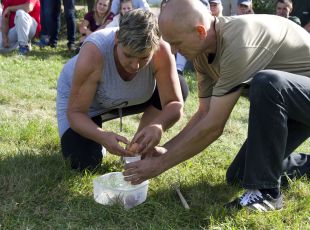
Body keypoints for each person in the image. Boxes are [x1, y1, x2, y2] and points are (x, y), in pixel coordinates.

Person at [124, 0, 310, 212]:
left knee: (268, 84)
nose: (173, 51)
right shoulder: (202, 53)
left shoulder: (239, 41)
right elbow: (204, 114)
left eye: (176, 43)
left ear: (200, 31)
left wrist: (159, 165)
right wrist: (165, 150)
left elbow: (213, 126)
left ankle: (266, 194)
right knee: (240, 175)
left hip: (298, 94)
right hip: (290, 102)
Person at [56, 9, 188, 171]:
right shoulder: (93, 52)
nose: (135, 66)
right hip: (87, 106)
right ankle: (97, 145)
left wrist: (158, 126)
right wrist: (102, 136)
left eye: (144, 58)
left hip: (130, 97)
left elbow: (174, 102)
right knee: (83, 163)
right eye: (128, 55)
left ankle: (137, 146)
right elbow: (76, 113)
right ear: (117, 38)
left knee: (179, 86)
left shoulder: (161, 49)